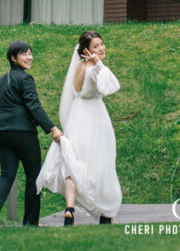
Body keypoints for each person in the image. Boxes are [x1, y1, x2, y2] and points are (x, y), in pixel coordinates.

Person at [36, 30, 122, 225]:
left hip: (77, 117)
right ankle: (105, 213)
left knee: (72, 162)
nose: (101, 48)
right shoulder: (93, 70)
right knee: (100, 163)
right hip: (94, 118)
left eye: (102, 44)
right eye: (96, 46)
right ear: (86, 51)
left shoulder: (78, 68)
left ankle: (70, 209)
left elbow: (71, 97)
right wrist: (99, 64)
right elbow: (111, 87)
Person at [0, 39, 63, 228]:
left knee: (7, 175)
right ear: (13, 58)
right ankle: (30, 222)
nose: (29, 57)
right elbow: (33, 104)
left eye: (30, 53)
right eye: (24, 54)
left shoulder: (2, 80)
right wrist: (52, 127)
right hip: (23, 133)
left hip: (1, 132)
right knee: (34, 174)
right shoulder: (26, 79)